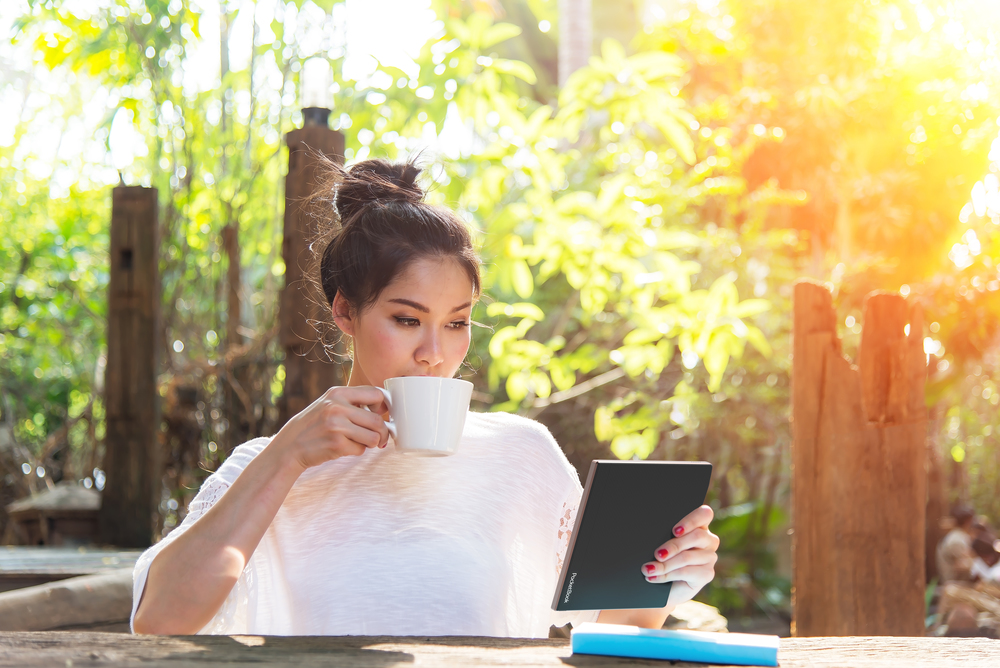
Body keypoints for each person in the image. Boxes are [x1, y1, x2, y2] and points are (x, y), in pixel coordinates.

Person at [130, 158, 720, 637]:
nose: (435, 352)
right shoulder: (271, 464)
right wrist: (285, 458)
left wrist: (662, 579)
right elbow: (159, 621)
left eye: (457, 322)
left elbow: (609, 631)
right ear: (345, 312)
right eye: (408, 320)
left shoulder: (521, 454)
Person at [936, 504, 977, 583]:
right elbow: (962, 565)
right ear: (968, 521)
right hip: (955, 585)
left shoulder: (959, 536)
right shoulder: (956, 540)